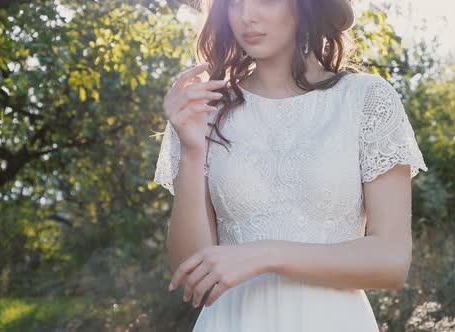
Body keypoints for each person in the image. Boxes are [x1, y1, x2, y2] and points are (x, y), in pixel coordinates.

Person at [153, 0, 428, 330]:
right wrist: (191, 150)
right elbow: (192, 271)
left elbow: (392, 262)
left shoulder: (366, 99)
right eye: (234, 3)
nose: (247, 16)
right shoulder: (204, 110)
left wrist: (265, 255)